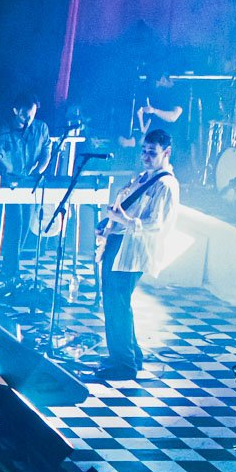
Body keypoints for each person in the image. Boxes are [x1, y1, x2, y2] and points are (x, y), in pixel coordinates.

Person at [91, 127, 179, 382]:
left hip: (133, 251)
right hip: (118, 244)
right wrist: (109, 224)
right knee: (115, 302)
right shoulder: (143, 177)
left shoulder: (166, 184)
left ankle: (124, 363)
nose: (146, 156)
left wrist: (125, 220)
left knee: (117, 303)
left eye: (152, 152)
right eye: (144, 151)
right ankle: (130, 355)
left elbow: (156, 223)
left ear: (166, 153)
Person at [0, 94, 53, 287]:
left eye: (32, 115)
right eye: (25, 115)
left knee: (26, 224)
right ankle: (9, 270)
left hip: (30, 183)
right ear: (16, 111)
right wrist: (5, 174)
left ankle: (12, 267)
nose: (28, 119)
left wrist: (38, 171)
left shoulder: (41, 129)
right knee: (16, 223)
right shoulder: (4, 130)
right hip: (11, 183)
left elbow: (46, 151)